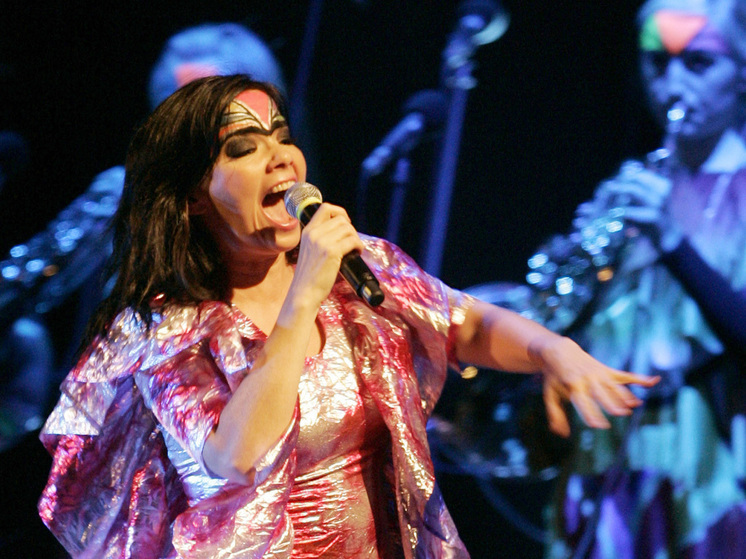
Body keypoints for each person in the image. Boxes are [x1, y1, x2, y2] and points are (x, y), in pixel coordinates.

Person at [36, 75, 657, 558]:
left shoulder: (358, 268)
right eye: (244, 148)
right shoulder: (164, 330)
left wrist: (553, 351)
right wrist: (303, 294)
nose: (281, 159)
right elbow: (236, 456)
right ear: (194, 197)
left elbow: (462, 323)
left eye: (282, 136)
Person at [518, 0, 746, 556]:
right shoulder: (631, 190)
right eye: (657, 62)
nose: (672, 84)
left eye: (698, 63)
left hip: (708, 478)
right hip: (604, 474)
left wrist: (671, 241)